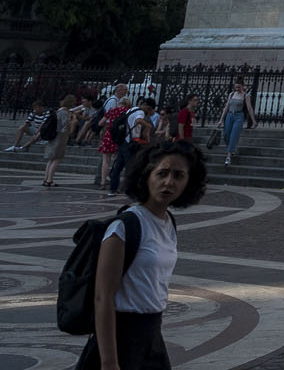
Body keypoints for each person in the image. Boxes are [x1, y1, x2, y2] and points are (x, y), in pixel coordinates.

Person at [77, 138, 208, 370]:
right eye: (162, 173)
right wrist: (109, 362)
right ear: (147, 175)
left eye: (179, 176)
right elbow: (103, 297)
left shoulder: (168, 222)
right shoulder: (124, 226)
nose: (169, 182)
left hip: (151, 334)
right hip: (120, 336)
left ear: (189, 183)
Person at [96, 89, 130, 189]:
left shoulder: (112, 111)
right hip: (120, 137)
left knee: (105, 161)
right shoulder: (127, 112)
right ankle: (114, 180)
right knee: (117, 161)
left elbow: (100, 123)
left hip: (109, 135)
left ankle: (102, 182)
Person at [42, 92, 76, 187]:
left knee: (51, 159)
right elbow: (64, 126)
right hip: (60, 137)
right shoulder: (65, 113)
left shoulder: (58, 111)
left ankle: (46, 178)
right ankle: (50, 179)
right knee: (57, 159)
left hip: (54, 136)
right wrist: (72, 121)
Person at [220, 77, 255, 167]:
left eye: (239, 87)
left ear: (243, 86)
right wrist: (221, 119)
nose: (237, 89)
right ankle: (232, 149)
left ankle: (228, 156)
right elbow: (226, 106)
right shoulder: (231, 94)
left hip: (239, 116)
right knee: (226, 134)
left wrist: (253, 121)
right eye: (236, 87)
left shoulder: (245, 96)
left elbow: (249, 108)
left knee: (234, 135)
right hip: (229, 115)